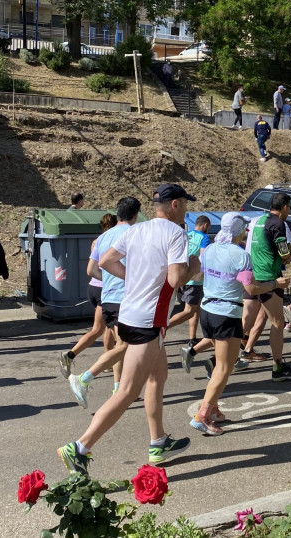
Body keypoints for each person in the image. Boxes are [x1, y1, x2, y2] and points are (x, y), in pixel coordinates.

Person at [57, 184, 200, 475]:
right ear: (174, 204)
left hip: (131, 314)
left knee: (158, 376)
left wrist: (132, 278)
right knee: (126, 391)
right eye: (184, 203)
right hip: (149, 321)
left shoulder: (135, 230)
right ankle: (80, 447)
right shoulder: (176, 234)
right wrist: (194, 266)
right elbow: (175, 279)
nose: (186, 208)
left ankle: (158, 441)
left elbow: (107, 261)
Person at [190, 213, 290, 435]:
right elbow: (252, 289)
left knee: (220, 365)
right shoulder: (241, 256)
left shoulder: (209, 249)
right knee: (225, 367)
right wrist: (275, 283)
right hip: (226, 313)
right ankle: (202, 416)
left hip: (207, 309)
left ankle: (213, 408)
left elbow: (198, 274)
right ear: (240, 231)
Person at [67, 197, 142, 407]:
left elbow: (91, 270)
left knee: (122, 344)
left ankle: (119, 389)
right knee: (126, 345)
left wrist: (109, 279)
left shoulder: (103, 237)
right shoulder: (134, 234)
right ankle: (83, 378)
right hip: (126, 299)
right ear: (135, 215)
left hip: (107, 298)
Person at [244, 193, 291, 381]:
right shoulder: (277, 224)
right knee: (277, 324)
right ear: (284, 206)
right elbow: (284, 254)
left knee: (246, 323)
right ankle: (278, 367)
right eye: (290, 208)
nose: (290, 211)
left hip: (252, 275)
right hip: (269, 278)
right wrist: (290, 254)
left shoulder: (257, 220)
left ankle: (216, 355)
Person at [58, 213, 117, 377]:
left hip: (94, 286)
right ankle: (70, 355)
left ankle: (109, 362)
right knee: (98, 329)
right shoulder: (115, 240)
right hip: (104, 288)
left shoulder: (97, 241)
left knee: (109, 327)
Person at [169, 215, 210, 347]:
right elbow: (204, 257)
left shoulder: (186, 234)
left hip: (182, 275)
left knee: (196, 308)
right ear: (205, 225)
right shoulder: (204, 238)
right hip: (195, 279)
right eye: (208, 227)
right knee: (189, 311)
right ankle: (163, 328)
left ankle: (192, 338)